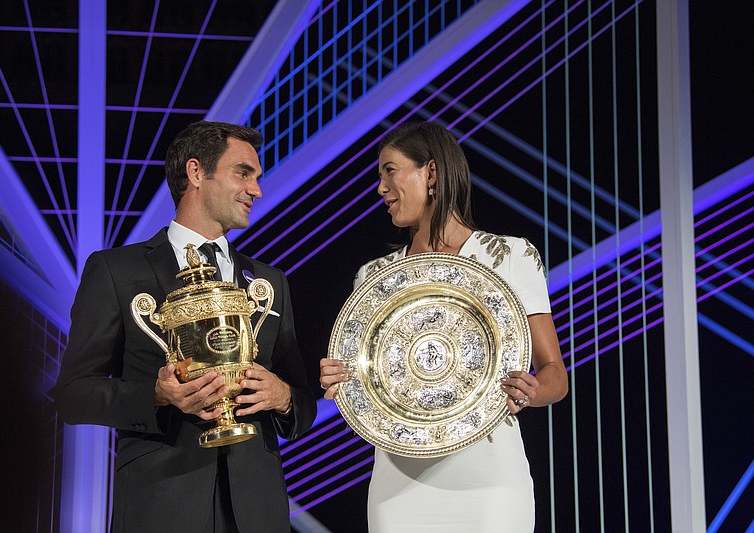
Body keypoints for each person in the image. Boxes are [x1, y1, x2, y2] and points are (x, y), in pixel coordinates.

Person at [54, 121, 316, 532]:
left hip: (256, 510)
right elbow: (72, 394)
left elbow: (302, 403)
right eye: (243, 173)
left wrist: (282, 396)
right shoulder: (115, 271)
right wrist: (155, 396)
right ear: (196, 173)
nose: (257, 190)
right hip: (161, 502)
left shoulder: (270, 282)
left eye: (257, 178)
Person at [319, 121, 568, 532]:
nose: (380, 188)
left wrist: (535, 391)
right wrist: (343, 378)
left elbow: (556, 374)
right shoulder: (374, 278)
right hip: (399, 486)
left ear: (430, 173)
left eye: (390, 170)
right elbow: (367, 385)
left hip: (489, 481)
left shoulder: (510, 255)